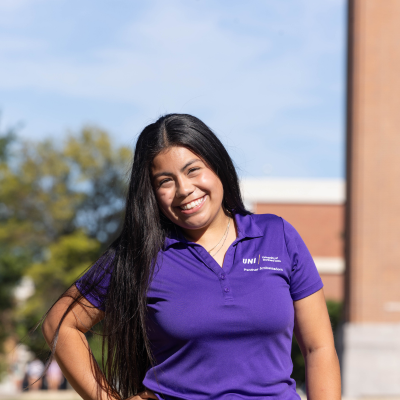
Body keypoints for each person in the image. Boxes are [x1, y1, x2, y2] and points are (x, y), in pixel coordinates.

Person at [42, 114, 341, 400]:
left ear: (217, 166)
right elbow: (60, 324)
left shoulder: (278, 236)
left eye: (193, 169)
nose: (184, 189)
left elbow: (319, 348)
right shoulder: (140, 253)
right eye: (165, 181)